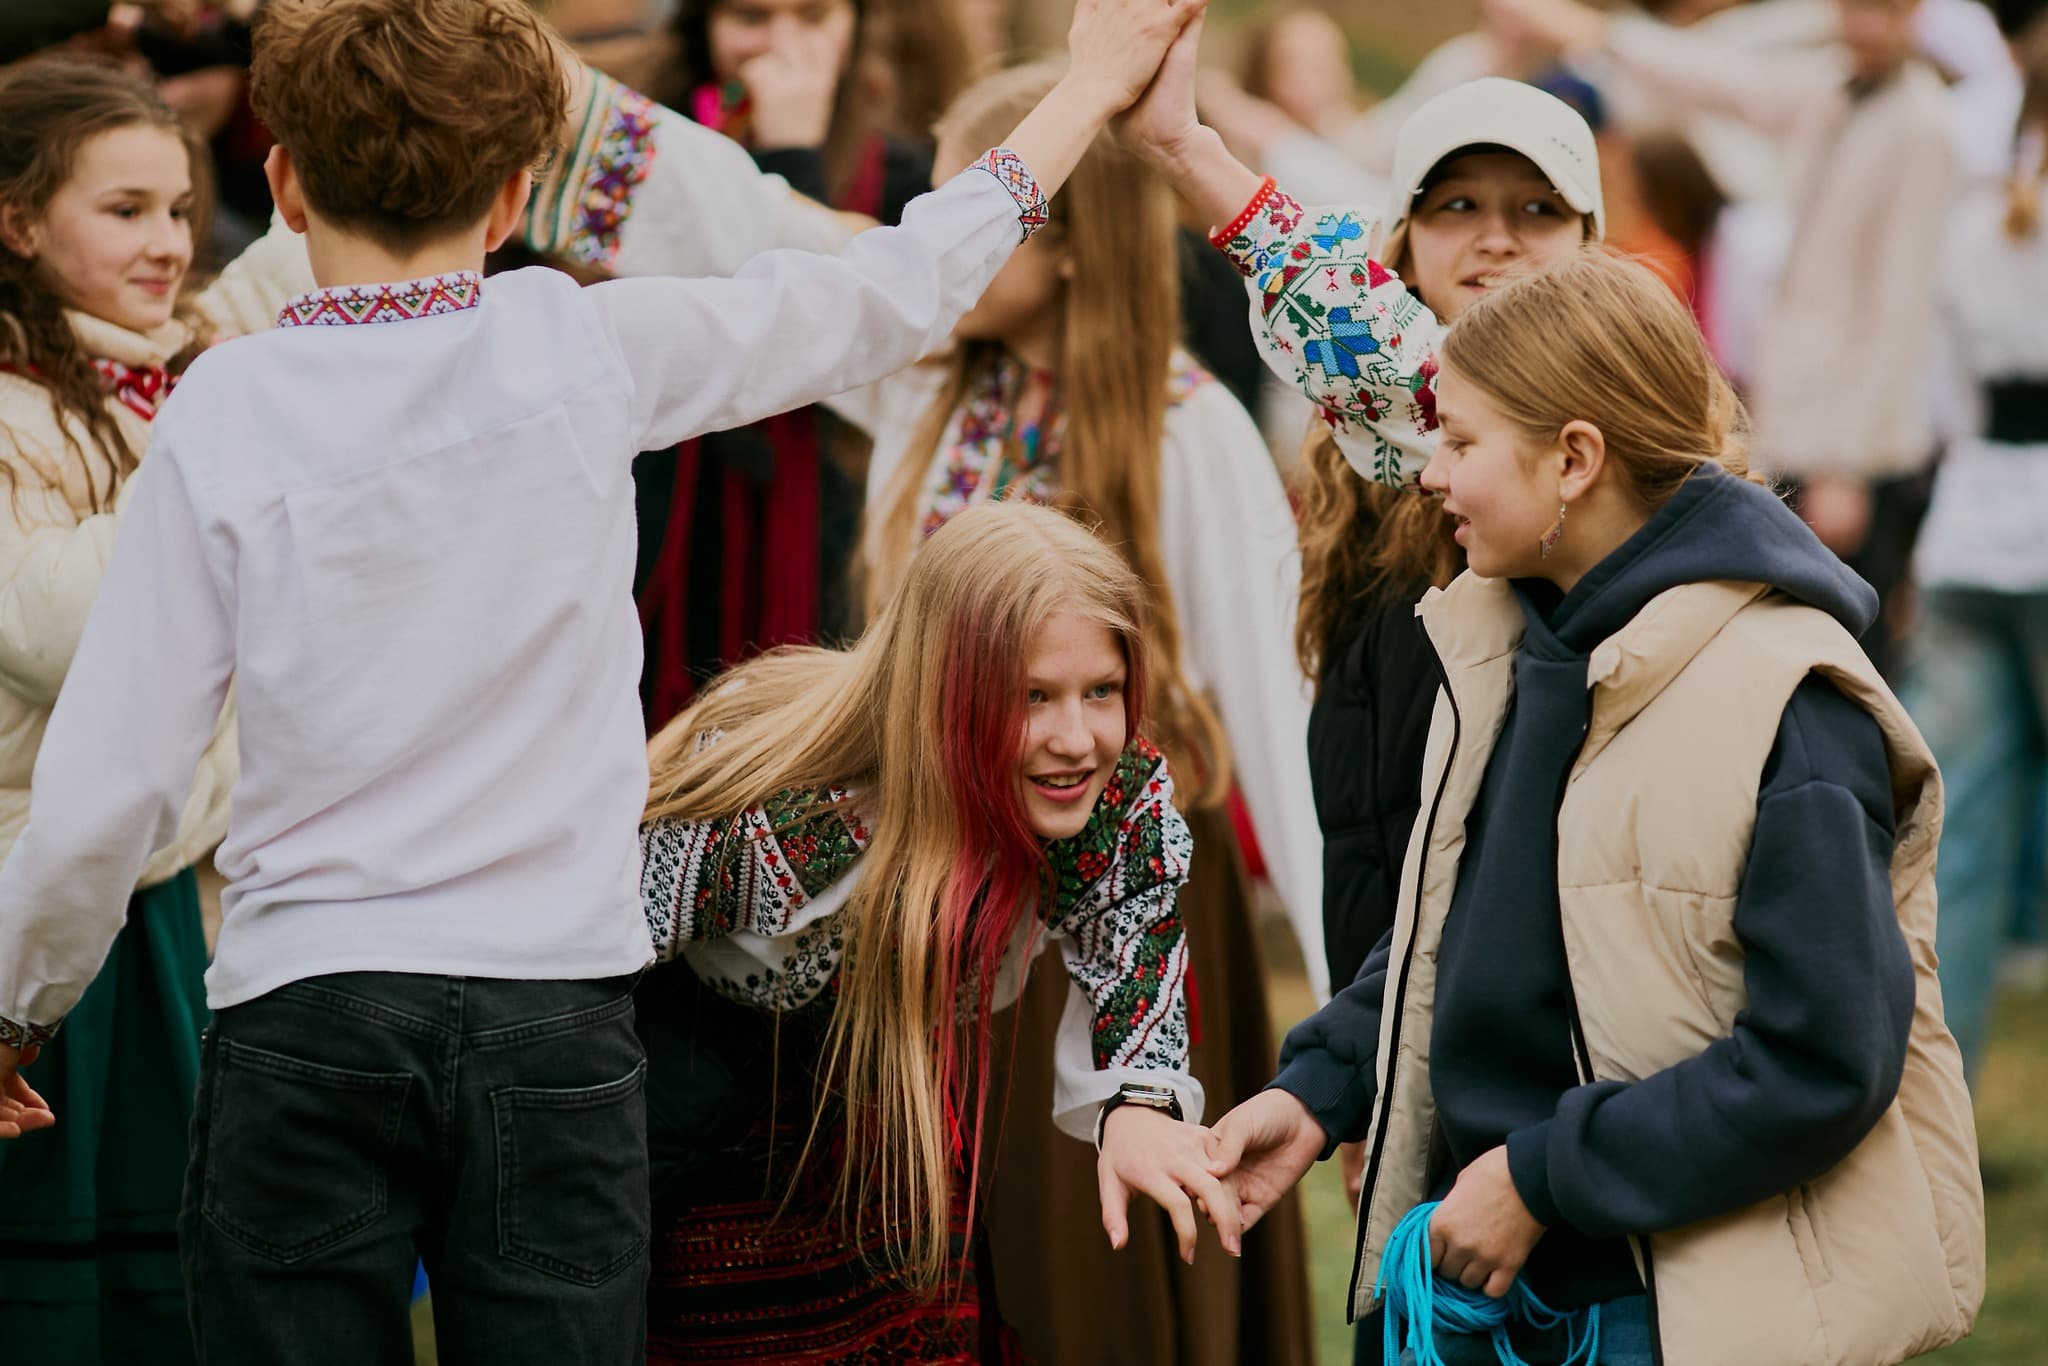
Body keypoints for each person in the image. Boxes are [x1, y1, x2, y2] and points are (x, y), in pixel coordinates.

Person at [0, 0, 1204, 1362]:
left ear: (278, 184)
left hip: (308, 1009)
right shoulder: (582, 349)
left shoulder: (227, 406)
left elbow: (111, 781)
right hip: (551, 1023)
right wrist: (1087, 90)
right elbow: (897, 288)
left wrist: (15, 1002)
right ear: (518, 191)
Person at [538, 53, 1324, 1366]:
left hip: (1107, 904)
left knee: (1094, 1276)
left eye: (986, 206)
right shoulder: (918, 384)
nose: (938, 237)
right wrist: (528, 86)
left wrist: (1355, 1044)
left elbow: (1284, 756)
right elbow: (747, 229)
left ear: (1067, 243)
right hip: (883, 914)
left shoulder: (1191, 434)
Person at [1202, 251, 1984, 1365]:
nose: (1430, 476)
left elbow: (1822, 1060)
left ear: (1572, 460)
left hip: (1655, 1317)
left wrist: (1541, 1176)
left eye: (1462, 442)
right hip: (1499, 1297)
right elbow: (1460, 928)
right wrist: (1321, 1082)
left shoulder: (1785, 702)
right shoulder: (1514, 647)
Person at [634, 499, 1228, 1362]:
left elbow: (1130, 947)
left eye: (1100, 690)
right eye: (1032, 697)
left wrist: (1137, 1105)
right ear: (942, 692)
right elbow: (591, 952)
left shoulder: (1113, 807)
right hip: (702, 1112)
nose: (1076, 737)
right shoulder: (777, 801)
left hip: (896, 1103)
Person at [0, 59, 311, 1363]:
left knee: (177, 1277)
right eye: (124, 211)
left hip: (173, 894)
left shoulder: (169, 374)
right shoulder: (21, 406)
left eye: (181, 210)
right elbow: (66, 631)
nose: (170, 243)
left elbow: (310, 247)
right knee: (61, 1280)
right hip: (40, 906)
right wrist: (196, 445)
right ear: (17, 220)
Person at [1488, 0, 1955, 674]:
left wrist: (1845, 464)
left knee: (1849, 654)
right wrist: (1596, 34)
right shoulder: (1831, 88)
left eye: (1882, 11)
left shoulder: (1921, 127)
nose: (1864, 26)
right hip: (1795, 425)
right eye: (1853, 9)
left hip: (1854, 450)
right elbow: (1723, 82)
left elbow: (1900, 309)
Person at [1899, 0, 2048, 1087]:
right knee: (1958, 838)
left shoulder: (1962, 159)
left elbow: (1938, 385)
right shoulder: (1974, 155)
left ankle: (1931, 1090)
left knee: (1959, 836)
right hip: (2000, 515)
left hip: (1970, 513)